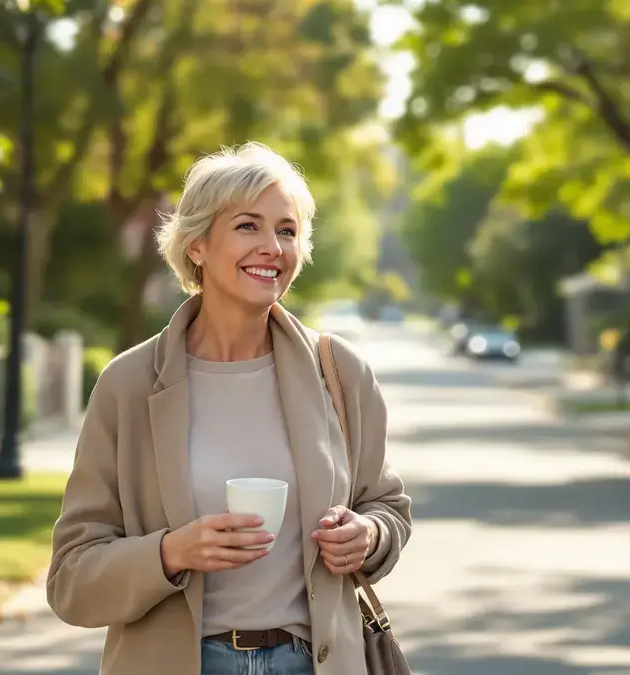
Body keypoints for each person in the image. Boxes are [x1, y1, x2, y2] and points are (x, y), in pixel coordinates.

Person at [46, 142, 412, 675]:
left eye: (287, 231)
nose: (272, 247)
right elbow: (71, 580)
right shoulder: (128, 385)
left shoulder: (339, 372)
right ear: (197, 245)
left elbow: (387, 507)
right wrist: (171, 553)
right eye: (247, 226)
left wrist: (369, 535)